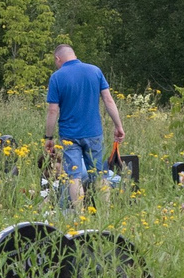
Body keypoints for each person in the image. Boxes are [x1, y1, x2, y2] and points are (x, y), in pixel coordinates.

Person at [43, 44, 125, 210]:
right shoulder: (95, 71)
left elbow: (53, 110)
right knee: (100, 174)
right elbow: (108, 100)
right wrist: (118, 126)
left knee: (74, 177)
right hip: (94, 133)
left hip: (69, 136)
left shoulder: (57, 77)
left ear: (58, 59)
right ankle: (105, 214)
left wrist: (49, 137)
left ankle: (79, 217)